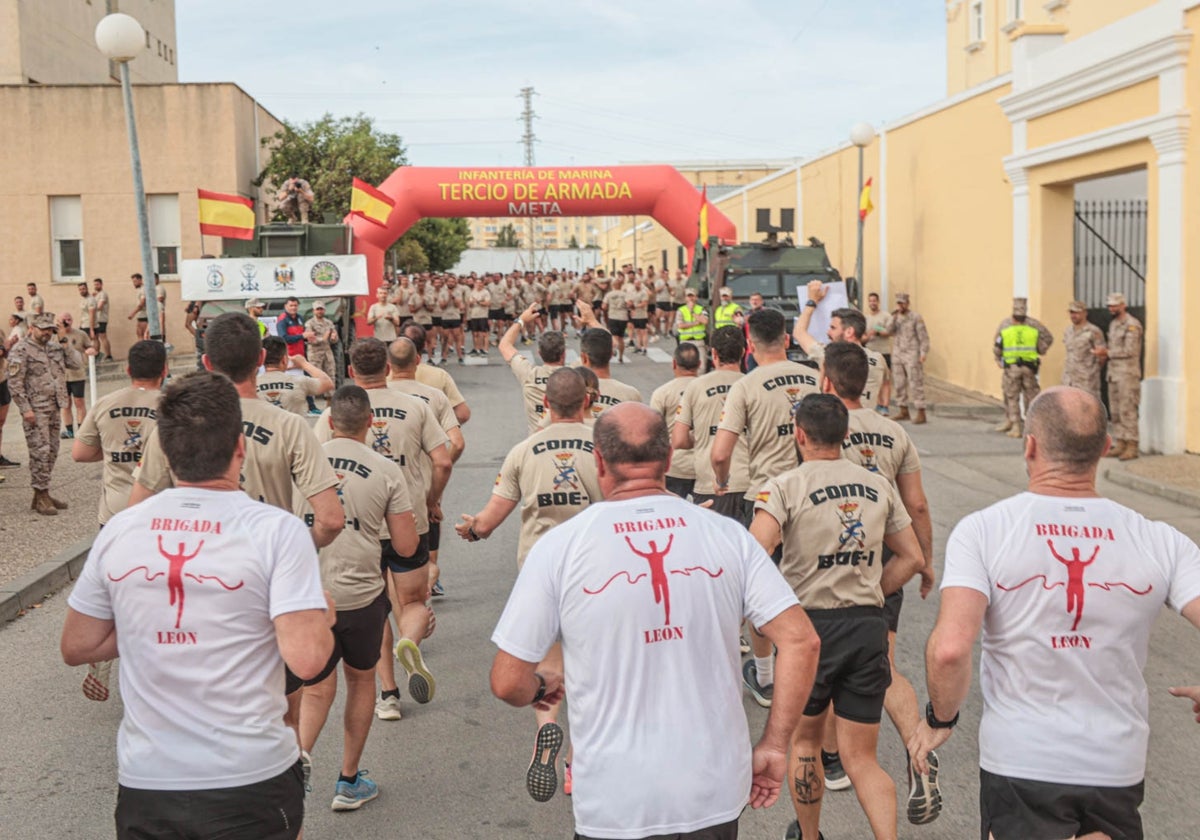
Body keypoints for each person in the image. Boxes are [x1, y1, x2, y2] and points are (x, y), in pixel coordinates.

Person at [490, 402, 820, 840]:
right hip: (714, 790)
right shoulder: (726, 535)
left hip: (614, 800)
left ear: (599, 462)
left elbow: (507, 682)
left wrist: (540, 688)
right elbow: (801, 641)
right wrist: (776, 743)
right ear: (667, 459)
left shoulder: (559, 547)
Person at [908, 386, 1200, 840]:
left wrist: (940, 719)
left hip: (1023, 760)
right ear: (1105, 449)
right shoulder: (1159, 539)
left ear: (1030, 445)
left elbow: (949, 650)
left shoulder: (985, 531)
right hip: (1116, 762)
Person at [61, 370, 335, 840]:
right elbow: (308, 660)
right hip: (250, 776)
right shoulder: (277, 530)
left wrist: (157, 628)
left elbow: (77, 644)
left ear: (165, 453)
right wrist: (320, 614)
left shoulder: (122, 529)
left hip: (149, 778)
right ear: (240, 448)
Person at [750, 393, 924, 840]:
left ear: (799, 434)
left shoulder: (783, 485)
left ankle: (810, 838)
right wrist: (871, 592)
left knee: (805, 743)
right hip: (867, 627)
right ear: (846, 435)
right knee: (861, 758)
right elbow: (912, 557)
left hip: (810, 631)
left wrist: (775, 603)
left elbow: (755, 551)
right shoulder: (877, 485)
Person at [458, 368, 600, 801]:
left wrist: (473, 529)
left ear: (545, 405)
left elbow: (491, 516)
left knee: (548, 663)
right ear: (588, 403)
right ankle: (578, 762)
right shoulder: (603, 447)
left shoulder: (523, 450)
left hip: (541, 571)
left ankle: (546, 728)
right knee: (592, 669)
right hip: (596, 570)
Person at [820, 341, 939, 818]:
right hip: (888, 557)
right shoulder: (893, 432)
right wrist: (925, 560)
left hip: (834, 556)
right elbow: (919, 505)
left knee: (826, 664)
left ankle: (832, 761)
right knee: (882, 662)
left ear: (826, 380)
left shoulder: (819, 428)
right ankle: (919, 750)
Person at [296, 384, 418, 813]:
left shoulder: (303, 460)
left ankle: (298, 761)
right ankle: (348, 781)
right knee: (362, 680)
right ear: (371, 422)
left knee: (314, 689)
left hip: (309, 593)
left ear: (328, 422)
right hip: (361, 593)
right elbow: (405, 547)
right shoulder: (386, 469)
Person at [313, 338, 450, 710]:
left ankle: (387, 694)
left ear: (351, 371)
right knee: (412, 601)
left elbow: (318, 468)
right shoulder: (416, 406)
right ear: (388, 368)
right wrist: (432, 499)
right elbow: (443, 460)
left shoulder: (336, 413)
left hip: (361, 522)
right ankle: (411, 640)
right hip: (409, 518)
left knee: (376, 609)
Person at [129, 312, 343, 549]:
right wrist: (293, 550)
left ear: (207, 363)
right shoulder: (290, 425)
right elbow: (331, 520)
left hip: (199, 565)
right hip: (266, 562)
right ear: (261, 358)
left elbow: (136, 513)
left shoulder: (176, 420)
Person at [711, 307, 820, 707]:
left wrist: (722, 481)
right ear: (787, 339)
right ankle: (816, 669)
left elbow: (721, 451)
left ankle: (767, 675)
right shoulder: (815, 377)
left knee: (760, 587)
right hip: (813, 490)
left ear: (750, 346)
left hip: (766, 497)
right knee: (810, 582)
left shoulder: (746, 384)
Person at [71, 339, 169, 701]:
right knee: (158, 597)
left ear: (128, 370)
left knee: (116, 592)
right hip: (158, 517)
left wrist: (115, 455)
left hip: (114, 516)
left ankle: (105, 649)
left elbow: (80, 453)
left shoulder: (105, 403)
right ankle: (153, 671)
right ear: (165, 370)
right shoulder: (173, 407)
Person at [386, 336, 465, 598]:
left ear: (388, 364)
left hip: (379, 490)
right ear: (417, 361)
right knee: (420, 554)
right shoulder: (433, 397)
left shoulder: (372, 395)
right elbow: (457, 443)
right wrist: (434, 486)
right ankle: (428, 579)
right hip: (420, 489)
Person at [672, 325, 751, 520]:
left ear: (713, 353)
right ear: (743, 352)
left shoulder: (695, 387)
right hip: (751, 482)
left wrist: (702, 437)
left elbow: (679, 440)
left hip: (711, 483)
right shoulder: (752, 384)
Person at [8, 312, 84, 515]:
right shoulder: (21, 350)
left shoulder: (56, 348)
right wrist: (26, 410)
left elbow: (77, 364)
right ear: (31, 327)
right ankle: (41, 495)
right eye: (42, 329)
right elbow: (15, 383)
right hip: (36, 410)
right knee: (39, 452)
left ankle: (43, 493)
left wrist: (64, 340)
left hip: (54, 407)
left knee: (52, 451)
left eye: (50, 329)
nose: (46, 333)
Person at [792, 283, 891, 411]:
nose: (828, 332)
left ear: (849, 332)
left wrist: (812, 301)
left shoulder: (830, 356)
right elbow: (885, 385)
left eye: (833, 328)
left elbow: (799, 333)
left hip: (838, 426)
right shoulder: (878, 360)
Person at [993, 297, 1054, 438]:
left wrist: (999, 358)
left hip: (1012, 367)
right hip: (1028, 367)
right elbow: (1044, 341)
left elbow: (998, 344)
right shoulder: (1027, 327)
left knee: (1014, 395)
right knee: (1025, 394)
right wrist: (1039, 350)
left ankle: (1018, 425)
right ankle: (1017, 422)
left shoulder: (1016, 326)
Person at [501, 303, 566, 434]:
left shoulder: (529, 374)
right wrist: (592, 321)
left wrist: (521, 320)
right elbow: (605, 346)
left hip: (538, 443)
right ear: (564, 354)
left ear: (540, 353)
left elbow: (505, 345)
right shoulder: (576, 376)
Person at [1093, 291, 1142, 461]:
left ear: (1123, 305)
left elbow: (1131, 350)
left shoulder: (1132, 325)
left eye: (1114, 305)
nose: (1111, 308)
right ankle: (1120, 441)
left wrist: (1107, 352)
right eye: (1109, 305)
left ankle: (1132, 444)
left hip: (1127, 375)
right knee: (1115, 411)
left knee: (1127, 410)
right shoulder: (1113, 325)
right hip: (1113, 374)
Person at [650, 342, 700, 499]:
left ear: (674, 363)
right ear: (699, 364)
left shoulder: (662, 393)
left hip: (675, 466)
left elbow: (653, 433)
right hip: (704, 465)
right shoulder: (706, 389)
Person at [575, 313, 643, 420]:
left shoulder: (570, 391)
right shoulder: (631, 395)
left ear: (584, 358)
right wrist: (594, 322)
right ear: (611, 355)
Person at [403, 322, 472, 426]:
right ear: (425, 345)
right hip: (433, 439)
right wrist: (439, 429)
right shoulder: (440, 376)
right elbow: (463, 414)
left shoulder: (385, 375)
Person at [256, 336, 334, 416]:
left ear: (262, 359)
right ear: (284, 359)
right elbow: (327, 383)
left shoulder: (252, 386)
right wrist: (304, 364)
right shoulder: (299, 382)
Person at [890, 292, 930, 424]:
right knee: (899, 383)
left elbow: (923, 337)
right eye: (898, 303)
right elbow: (889, 331)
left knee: (915, 382)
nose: (900, 305)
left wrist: (923, 353)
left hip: (912, 353)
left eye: (903, 303)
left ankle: (921, 411)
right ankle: (903, 410)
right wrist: (893, 318)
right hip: (898, 353)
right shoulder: (895, 317)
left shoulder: (915, 317)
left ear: (907, 303)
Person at [56, 311, 95, 439]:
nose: (66, 321)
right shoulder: (53, 335)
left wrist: (91, 350)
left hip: (77, 374)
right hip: (61, 375)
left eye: (69, 319)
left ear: (72, 320)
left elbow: (91, 347)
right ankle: (69, 430)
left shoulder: (80, 334)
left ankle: (81, 430)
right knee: (65, 403)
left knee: (79, 402)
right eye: (63, 319)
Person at [1062, 300, 1105, 402]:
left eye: (1077, 312)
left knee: (1088, 410)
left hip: (1087, 380)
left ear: (1085, 313)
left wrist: (1091, 371)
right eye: (1071, 312)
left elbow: (1102, 355)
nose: (1073, 315)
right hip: (1069, 379)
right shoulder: (1068, 331)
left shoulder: (1093, 331)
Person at [304, 299, 339, 386]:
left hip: (327, 354)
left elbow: (334, 339)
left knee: (331, 377)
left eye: (321, 309)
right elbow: (311, 339)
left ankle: (330, 398)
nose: (320, 311)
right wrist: (323, 338)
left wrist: (333, 338)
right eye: (318, 309)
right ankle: (315, 398)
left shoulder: (329, 323)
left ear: (324, 310)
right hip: (315, 355)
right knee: (316, 379)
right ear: (313, 311)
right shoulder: (309, 323)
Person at [601, 275, 629, 364]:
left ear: (613, 286)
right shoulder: (625, 294)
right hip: (623, 317)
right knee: (621, 337)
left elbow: (604, 306)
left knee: (614, 336)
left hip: (613, 316)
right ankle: (621, 357)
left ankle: (614, 349)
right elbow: (629, 304)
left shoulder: (609, 294)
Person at [865, 291, 892, 371]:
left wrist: (877, 331)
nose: (872, 303)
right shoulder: (866, 318)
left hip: (883, 352)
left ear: (878, 302)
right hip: (870, 352)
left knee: (886, 376)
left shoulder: (886, 316)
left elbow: (890, 332)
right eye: (870, 301)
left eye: (874, 301)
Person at [92, 278, 113, 361]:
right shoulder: (96, 295)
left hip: (101, 319)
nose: (96, 286)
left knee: (103, 337)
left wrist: (91, 309)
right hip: (95, 320)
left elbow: (99, 307)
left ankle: (109, 355)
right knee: (95, 337)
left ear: (101, 284)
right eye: (95, 285)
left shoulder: (103, 294)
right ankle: (96, 355)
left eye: (97, 284)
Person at [129, 273, 149, 341]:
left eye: (135, 281)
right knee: (139, 334)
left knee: (144, 336)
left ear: (140, 280)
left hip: (144, 315)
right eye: (133, 282)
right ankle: (142, 351)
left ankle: (145, 351)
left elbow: (142, 303)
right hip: (140, 315)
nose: (134, 283)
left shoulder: (144, 289)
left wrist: (132, 314)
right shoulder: (139, 289)